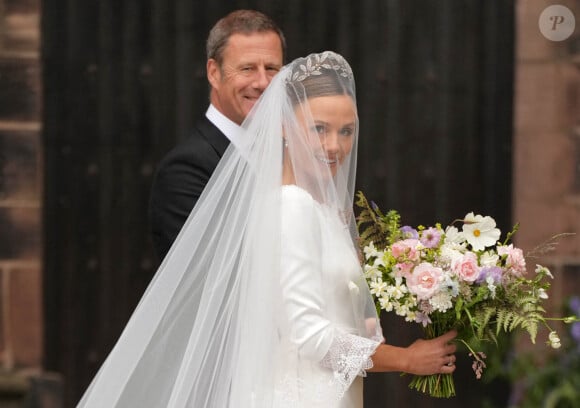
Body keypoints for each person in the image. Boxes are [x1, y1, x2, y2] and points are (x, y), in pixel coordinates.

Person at [77, 51, 456, 407]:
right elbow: (310, 337)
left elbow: (321, 312)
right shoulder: (291, 207)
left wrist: (365, 320)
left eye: (346, 131)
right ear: (284, 127)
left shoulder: (325, 212)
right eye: (319, 128)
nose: (334, 145)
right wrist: (406, 359)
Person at [149, 9, 286, 261]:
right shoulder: (185, 170)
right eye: (247, 68)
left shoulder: (291, 154)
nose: (262, 82)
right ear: (214, 72)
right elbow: (206, 274)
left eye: (272, 68)